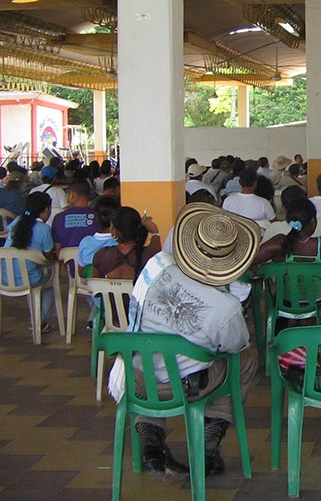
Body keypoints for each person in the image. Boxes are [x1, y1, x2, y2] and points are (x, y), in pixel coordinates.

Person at [122, 203, 260, 478]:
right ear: (231, 259)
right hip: (185, 387)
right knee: (245, 360)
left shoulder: (156, 267)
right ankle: (212, 433)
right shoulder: (226, 307)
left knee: (158, 355)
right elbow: (235, 346)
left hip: (137, 377)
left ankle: (149, 430)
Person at [4, 192, 56, 332]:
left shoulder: (17, 222)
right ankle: (39, 322)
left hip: (4, 278)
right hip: (28, 279)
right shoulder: (44, 229)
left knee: (29, 272)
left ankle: (38, 321)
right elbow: (48, 256)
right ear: (46, 210)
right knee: (49, 284)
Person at [92, 207, 161, 281]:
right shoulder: (150, 255)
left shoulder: (101, 255)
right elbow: (156, 253)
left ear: (114, 231)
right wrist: (155, 232)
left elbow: (94, 283)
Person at [51, 180, 97, 256]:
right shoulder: (98, 217)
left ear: (72, 195)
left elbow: (58, 252)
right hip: (91, 265)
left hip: (68, 265)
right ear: (89, 196)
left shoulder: (58, 219)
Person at [222, 168, 276, 232]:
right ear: (255, 183)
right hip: (258, 238)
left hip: (235, 236)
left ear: (239, 182)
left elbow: (224, 221)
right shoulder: (263, 203)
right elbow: (274, 223)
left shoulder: (228, 200)